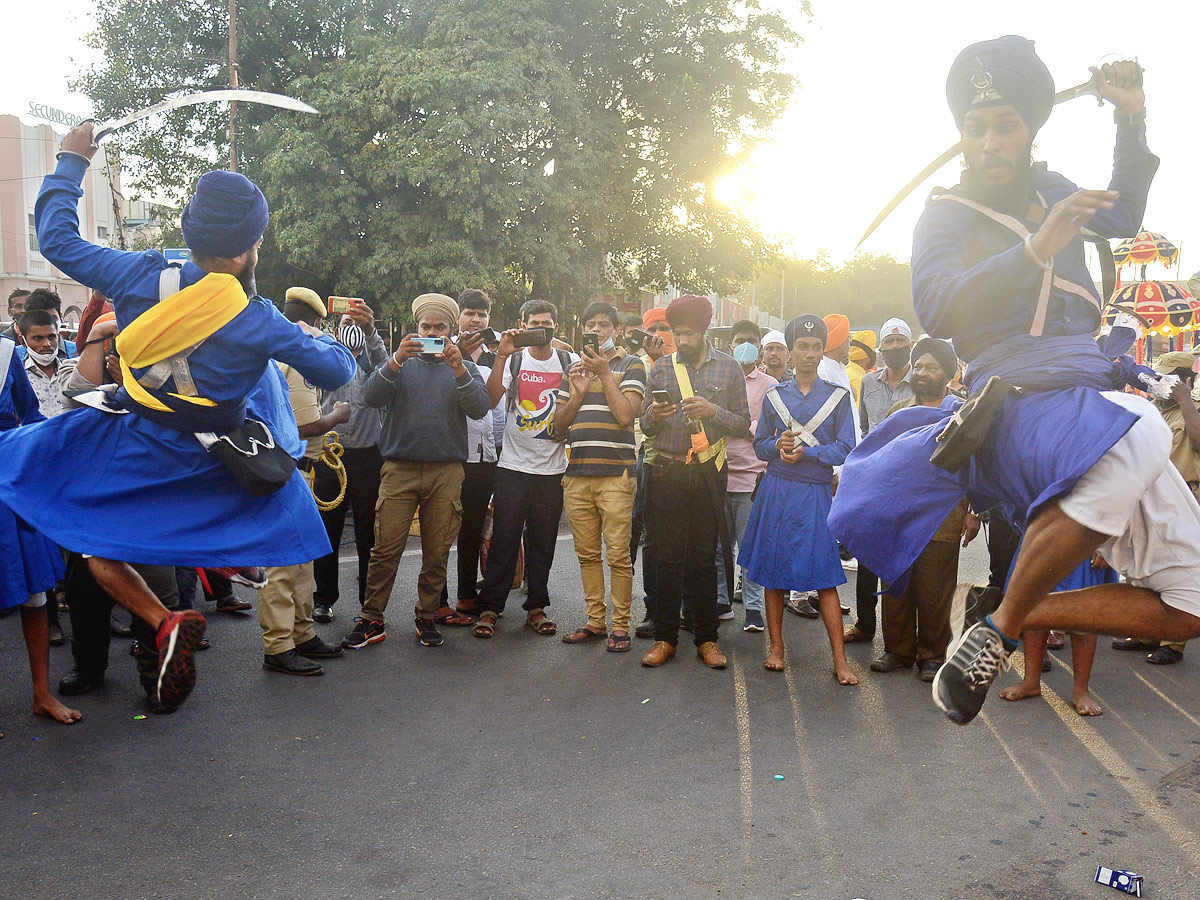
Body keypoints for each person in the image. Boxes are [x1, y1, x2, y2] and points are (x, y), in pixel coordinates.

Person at [829, 38, 1188, 727]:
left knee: (1191, 601)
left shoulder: (1054, 188)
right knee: (1141, 424)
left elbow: (1118, 214)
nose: (989, 141)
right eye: (975, 127)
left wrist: (1131, 116)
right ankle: (999, 634)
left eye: (1005, 125)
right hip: (1016, 400)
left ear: (1029, 131)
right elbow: (937, 305)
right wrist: (1033, 250)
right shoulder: (946, 213)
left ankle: (1007, 615)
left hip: (1089, 387)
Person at [0, 120, 357, 712]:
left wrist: (70, 160)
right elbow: (336, 372)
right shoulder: (258, 317)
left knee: (91, 543)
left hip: (133, 442)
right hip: (209, 462)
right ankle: (171, 622)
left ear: (191, 234)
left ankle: (164, 620)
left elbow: (57, 240)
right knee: (241, 529)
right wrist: (312, 338)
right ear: (250, 247)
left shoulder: (138, 274)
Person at [342, 293, 490, 650]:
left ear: (451, 331)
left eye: (439, 327)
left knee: (437, 551)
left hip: (447, 471)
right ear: (416, 328)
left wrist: (457, 368)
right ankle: (371, 618)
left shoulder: (465, 368)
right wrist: (394, 361)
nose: (432, 332)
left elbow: (480, 408)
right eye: (426, 326)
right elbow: (372, 397)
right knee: (385, 549)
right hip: (399, 468)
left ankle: (427, 617)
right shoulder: (401, 364)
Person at [740, 315, 858, 683]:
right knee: (774, 574)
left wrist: (807, 454)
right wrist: (776, 444)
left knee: (824, 577)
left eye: (815, 347)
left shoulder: (838, 397)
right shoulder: (776, 395)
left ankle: (840, 660)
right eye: (802, 347)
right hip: (777, 490)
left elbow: (846, 448)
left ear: (823, 352)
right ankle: (777, 647)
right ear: (790, 353)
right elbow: (759, 444)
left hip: (815, 492)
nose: (809, 353)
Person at [639, 294, 750, 670]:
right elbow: (645, 425)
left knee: (705, 557)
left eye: (686, 334)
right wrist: (654, 413)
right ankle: (665, 639)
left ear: (703, 331)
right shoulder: (662, 369)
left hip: (708, 472)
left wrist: (712, 410)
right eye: (676, 333)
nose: (680, 340)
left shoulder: (730, 368)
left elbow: (742, 424)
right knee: (667, 558)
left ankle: (706, 639)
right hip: (668, 471)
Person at [872, 338, 979, 681]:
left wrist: (974, 511)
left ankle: (932, 655)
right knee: (897, 581)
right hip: (899, 513)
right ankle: (897, 651)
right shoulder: (898, 412)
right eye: (918, 366)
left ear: (948, 373)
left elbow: (976, 465)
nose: (922, 372)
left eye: (931, 367)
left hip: (944, 511)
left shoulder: (962, 412)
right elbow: (880, 460)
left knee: (936, 587)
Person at [473, 300, 578, 639]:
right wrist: (502, 354)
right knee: (504, 539)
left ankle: (536, 607)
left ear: (556, 328)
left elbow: (584, 401)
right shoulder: (515, 359)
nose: (541, 328)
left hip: (553, 469)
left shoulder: (569, 361)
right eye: (534, 323)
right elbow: (489, 402)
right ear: (521, 325)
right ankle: (490, 608)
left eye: (546, 323)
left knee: (543, 541)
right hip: (513, 466)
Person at [259, 288, 351, 675]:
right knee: (284, 562)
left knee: (302, 558)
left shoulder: (275, 352)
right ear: (313, 325)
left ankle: (301, 633)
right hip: (289, 467)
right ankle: (279, 645)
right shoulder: (295, 360)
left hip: (294, 468)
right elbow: (303, 425)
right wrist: (337, 416)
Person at [554, 300, 646, 652]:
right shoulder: (574, 369)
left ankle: (620, 626)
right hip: (577, 474)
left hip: (616, 476)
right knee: (587, 554)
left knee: (618, 555)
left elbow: (626, 415)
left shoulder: (632, 365)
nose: (597, 330)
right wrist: (577, 393)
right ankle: (595, 621)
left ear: (616, 330)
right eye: (590, 324)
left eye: (604, 324)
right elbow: (558, 427)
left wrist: (606, 374)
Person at [0, 333, 80, 734]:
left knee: (34, 595)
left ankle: (41, 693)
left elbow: (29, 417)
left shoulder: (3, 355)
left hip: (10, 486)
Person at [312, 300, 387, 622]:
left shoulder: (374, 362)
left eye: (356, 322)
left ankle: (367, 603)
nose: (351, 327)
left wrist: (370, 331)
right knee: (327, 531)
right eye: (346, 321)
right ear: (337, 327)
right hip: (330, 455)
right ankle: (323, 599)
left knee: (369, 534)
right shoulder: (327, 360)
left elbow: (387, 366)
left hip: (370, 457)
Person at [448, 289, 502, 615]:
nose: (476, 319)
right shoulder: (444, 353)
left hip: (488, 456)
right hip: (454, 453)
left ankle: (467, 595)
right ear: (459, 317)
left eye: (481, 314)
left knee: (473, 530)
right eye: (470, 313)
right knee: (442, 532)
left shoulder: (498, 360)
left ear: (488, 319)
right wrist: (460, 357)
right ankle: (435, 604)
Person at [721, 320, 776, 632]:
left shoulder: (770, 385)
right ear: (730, 344)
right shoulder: (721, 378)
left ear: (759, 346)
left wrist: (740, 426)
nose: (745, 345)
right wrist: (744, 424)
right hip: (717, 473)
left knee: (751, 546)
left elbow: (771, 429)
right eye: (740, 340)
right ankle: (721, 600)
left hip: (753, 478)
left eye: (751, 341)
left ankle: (753, 608)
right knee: (719, 547)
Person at [632, 306, 673, 639]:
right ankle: (654, 609)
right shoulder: (640, 365)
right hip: (645, 462)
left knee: (689, 541)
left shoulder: (691, 365)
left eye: (666, 327)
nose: (661, 334)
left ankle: (686, 607)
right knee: (650, 540)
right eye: (654, 328)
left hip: (689, 465)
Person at [18, 308, 66, 418]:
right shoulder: (18, 377)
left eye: (51, 337)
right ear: (23, 341)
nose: (47, 344)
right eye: (37, 338)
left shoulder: (70, 372)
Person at [846, 329, 876, 404]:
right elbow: (858, 412)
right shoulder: (859, 379)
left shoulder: (846, 370)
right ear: (868, 353)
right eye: (873, 348)